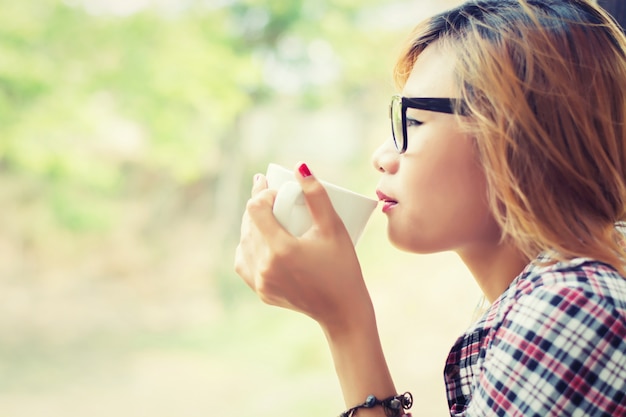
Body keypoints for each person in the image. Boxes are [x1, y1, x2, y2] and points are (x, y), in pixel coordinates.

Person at [234, 0, 626, 415]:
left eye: (414, 122)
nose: (382, 156)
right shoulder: (534, 293)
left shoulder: (575, 306)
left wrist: (346, 325)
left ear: (520, 137)